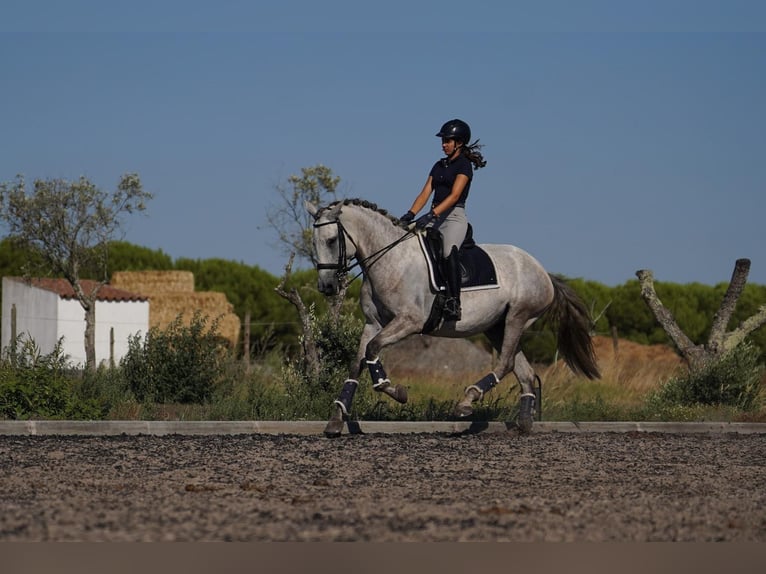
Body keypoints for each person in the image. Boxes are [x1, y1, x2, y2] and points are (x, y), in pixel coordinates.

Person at [399, 118, 487, 321]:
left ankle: (454, 302)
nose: (443, 145)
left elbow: (455, 196)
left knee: (448, 251)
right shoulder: (438, 165)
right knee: (406, 241)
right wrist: (410, 214)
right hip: (434, 214)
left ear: (459, 143)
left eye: (447, 141)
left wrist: (432, 215)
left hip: (453, 216)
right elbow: (425, 193)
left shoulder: (464, 166)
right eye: (443, 141)